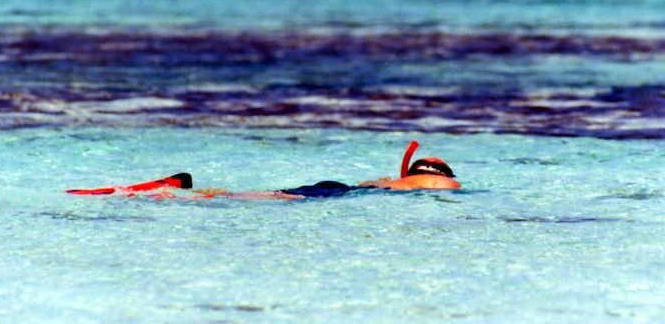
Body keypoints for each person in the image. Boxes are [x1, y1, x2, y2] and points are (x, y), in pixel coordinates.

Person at [66, 141, 461, 200]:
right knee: (266, 199)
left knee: (268, 196)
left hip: (338, 188)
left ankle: (183, 189)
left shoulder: (391, 180)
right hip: (334, 194)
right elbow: (450, 186)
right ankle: (179, 193)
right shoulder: (431, 181)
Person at [195, 141, 461, 200]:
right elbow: (450, 188)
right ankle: (221, 195)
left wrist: (387, 182)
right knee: (286, 197)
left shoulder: (397, 182)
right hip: (346, 194)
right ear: (442, 172)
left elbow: (365, 184)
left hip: (346, 188)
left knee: (284, 194)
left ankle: (222, 195)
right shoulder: (439, 182)